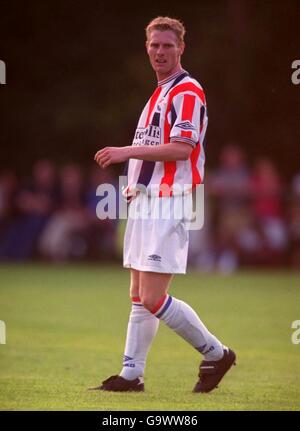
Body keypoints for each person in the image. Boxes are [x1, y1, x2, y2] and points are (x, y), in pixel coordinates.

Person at [91, 16, 236, 393]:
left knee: (154, 297)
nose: (160, 51)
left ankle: (217, 353)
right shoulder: (159, 92)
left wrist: (125, 151)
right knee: (139, 295)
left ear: (181, 48)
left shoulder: (186, 90)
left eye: (167, 45)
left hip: (169, 202)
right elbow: (157, 150)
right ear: (147, 47)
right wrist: (135, 185)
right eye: (154, 45)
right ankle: (130, 375)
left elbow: (181, 148)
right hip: (147, 202)